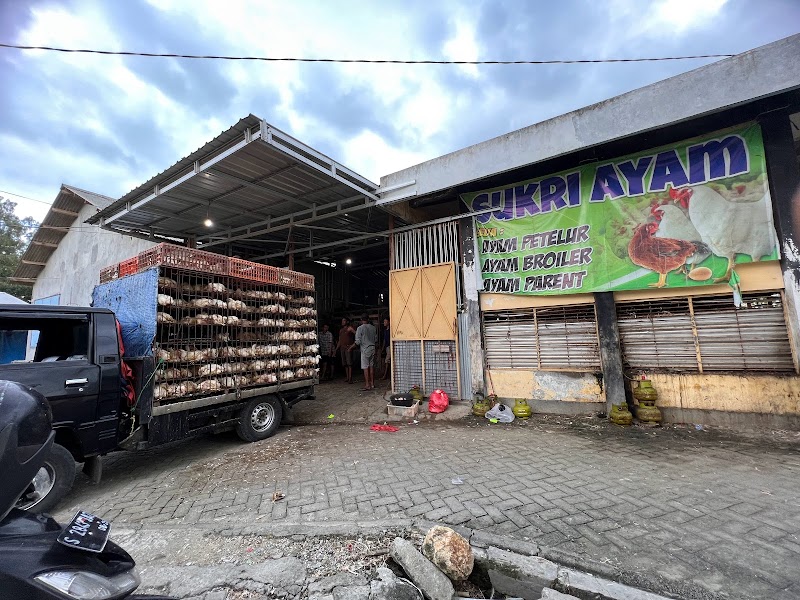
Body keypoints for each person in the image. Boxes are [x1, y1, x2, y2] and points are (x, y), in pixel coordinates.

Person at [351, 314, 377, 390]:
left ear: (361, 320)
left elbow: (358, 342)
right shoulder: (373, 328)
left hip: (365, 349)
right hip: (372, 348)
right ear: (368, 319)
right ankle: (372, 384)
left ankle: (367, 385)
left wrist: (350, 347)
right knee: (371, 366)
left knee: (365, 367)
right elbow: (375, 339)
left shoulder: (360, 328)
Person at [334, 317, 356, 384]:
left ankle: (350, 378)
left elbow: (357, 334)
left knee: (349, 363)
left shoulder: (350, 328)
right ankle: (347, 377)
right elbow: (340, 341)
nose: (342, 322)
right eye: (342, 321)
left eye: (344, 321)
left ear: (347, 322)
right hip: (342, 348)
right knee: (345, 364)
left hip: (348, 347)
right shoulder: (341, 330)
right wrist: (336, 349)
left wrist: (353, 345)